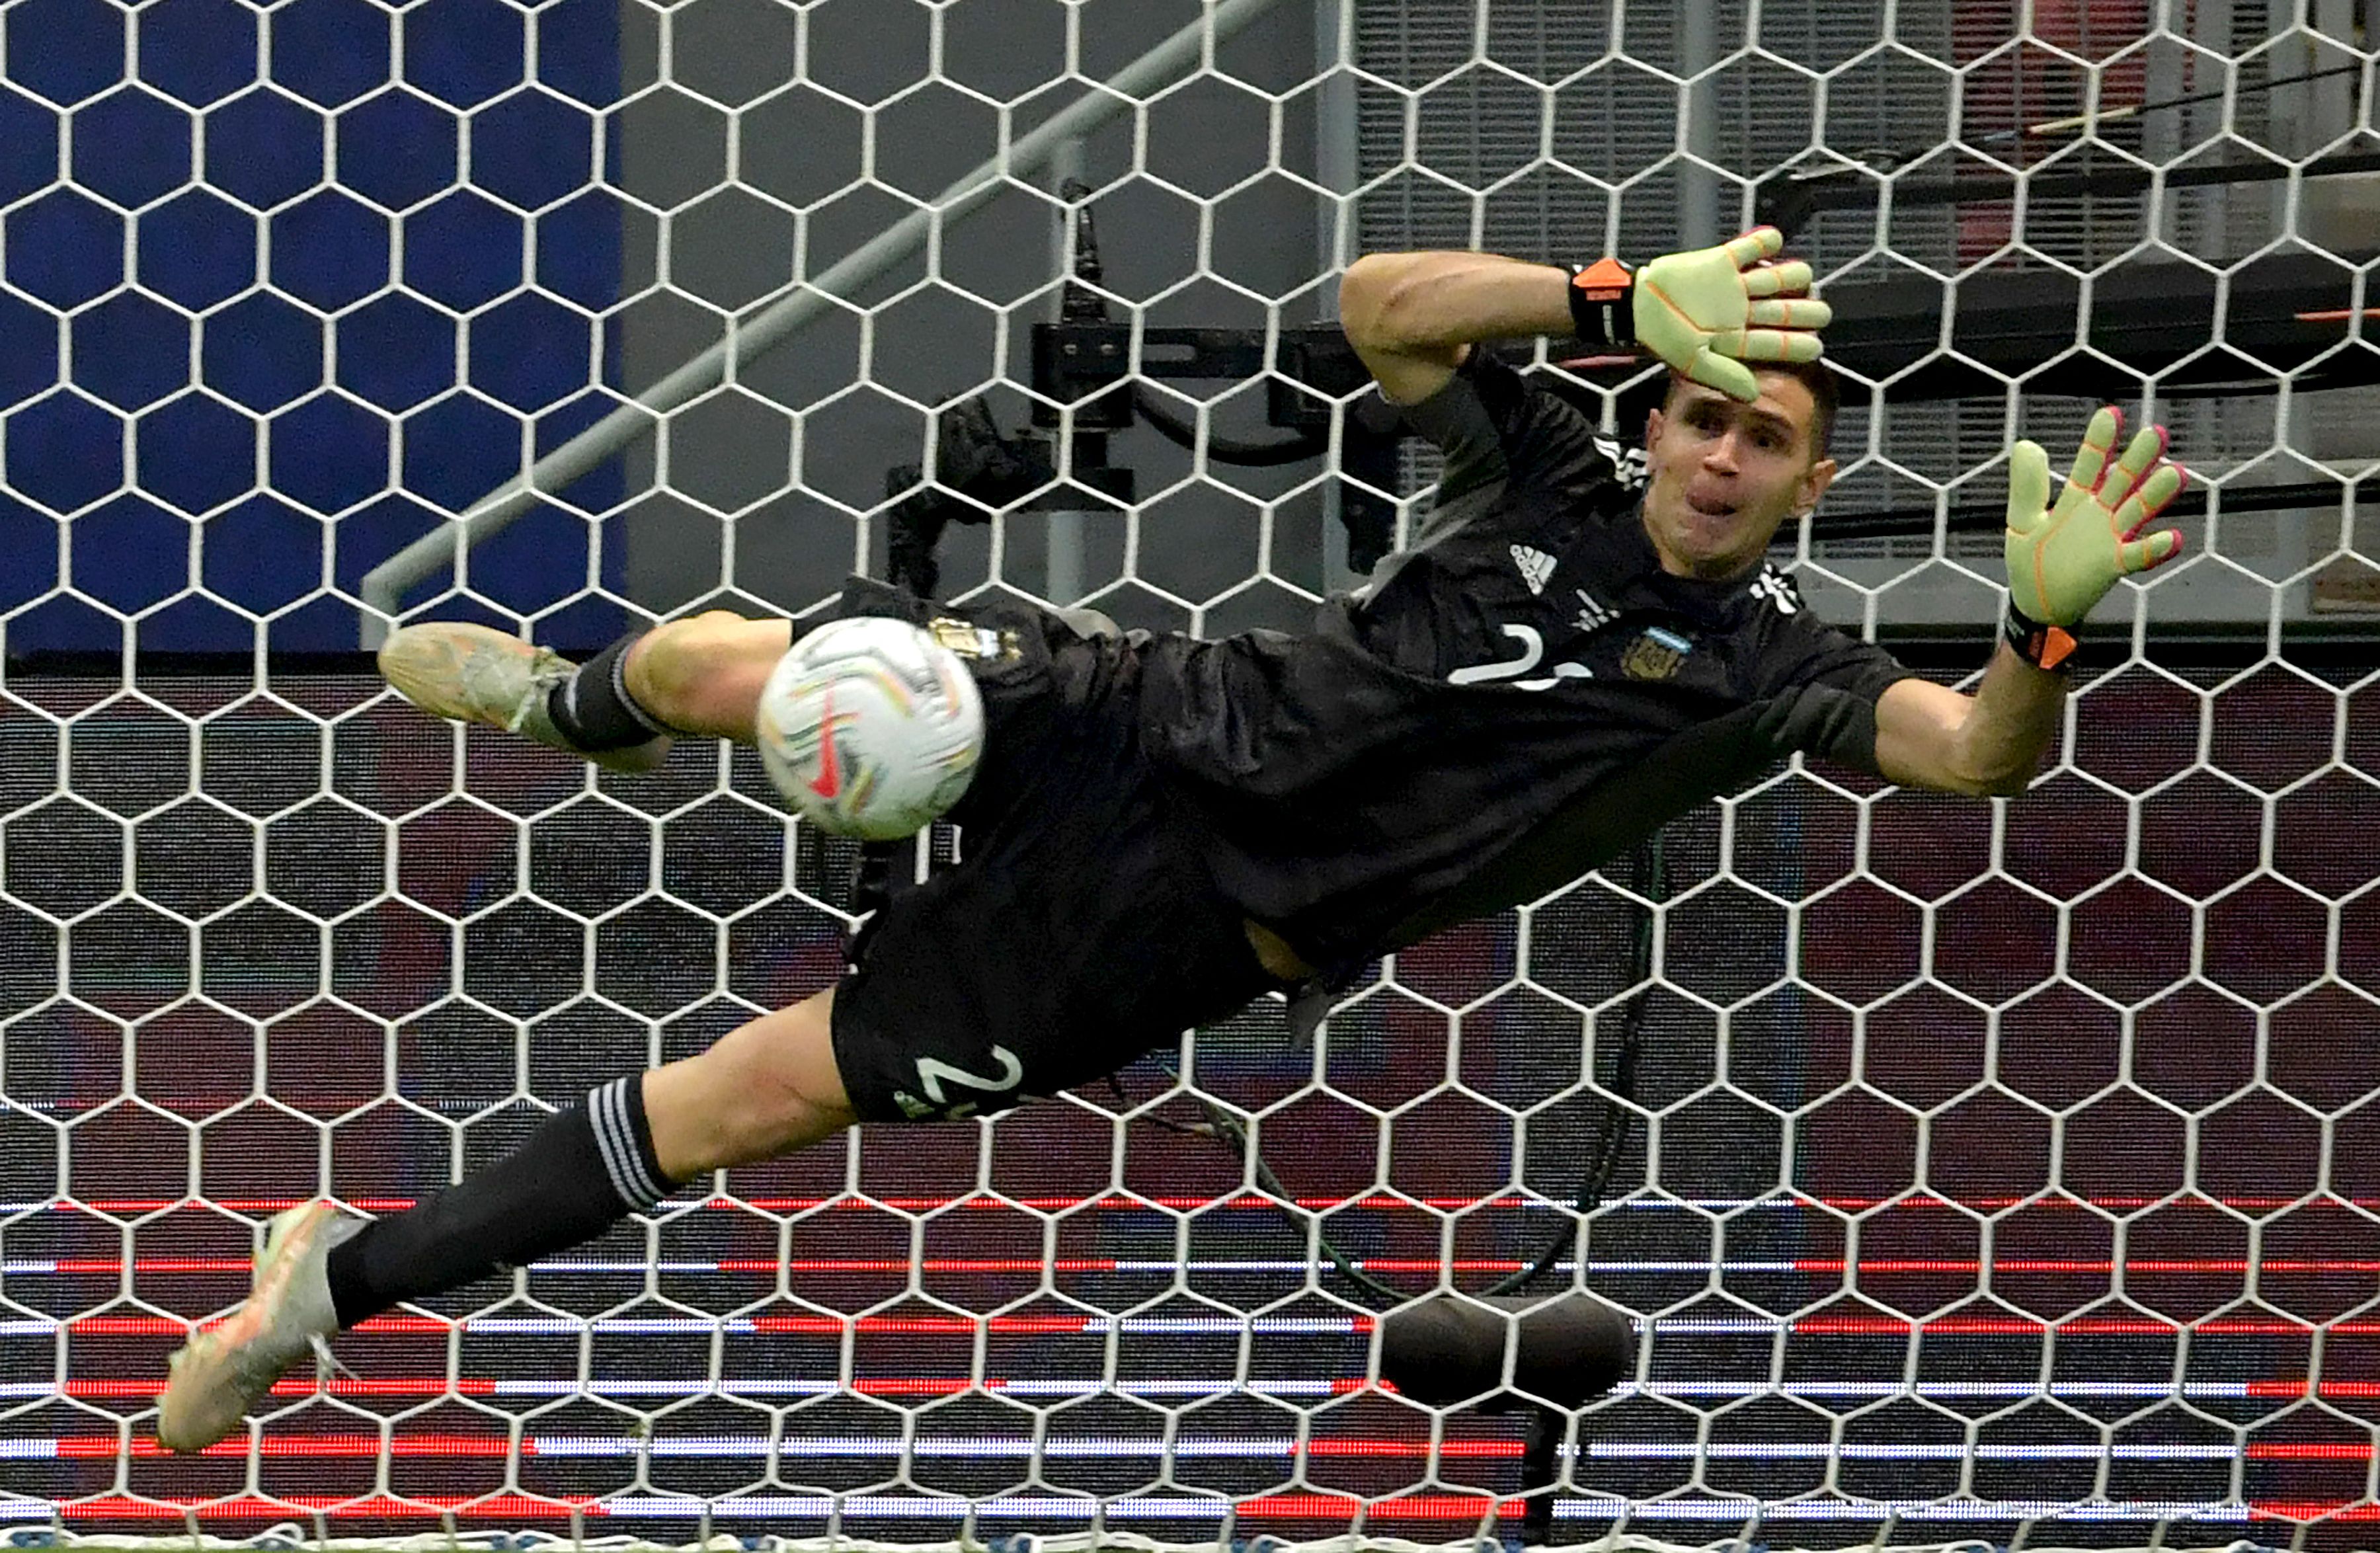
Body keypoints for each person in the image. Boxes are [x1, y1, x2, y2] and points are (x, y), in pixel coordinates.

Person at [154, 228, 2184, 1451]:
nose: (1721, 454)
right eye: (1702, 412)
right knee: (761, 670)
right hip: (1148, 715)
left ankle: (328, 1291)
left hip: (1192, 932)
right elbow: (1385, 313)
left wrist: (2050, 630)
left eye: (1766, 441)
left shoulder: (1768, 669)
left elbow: (1969, 753)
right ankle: (582, 708)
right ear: (1655, 413)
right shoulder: (1556, 461)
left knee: (742, 1103)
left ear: (1812, 486)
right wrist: (1596, 289)